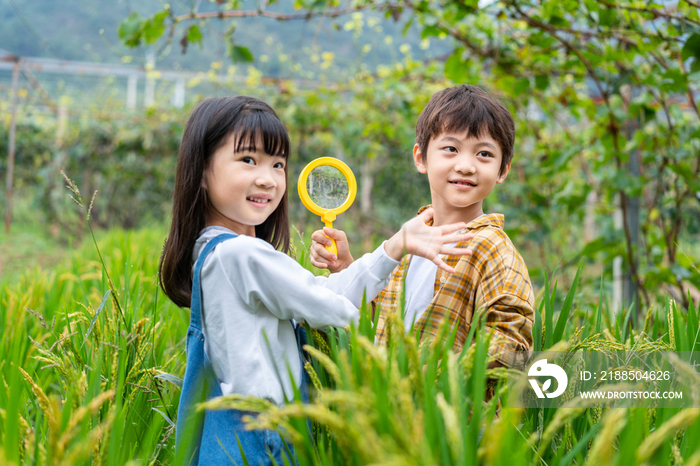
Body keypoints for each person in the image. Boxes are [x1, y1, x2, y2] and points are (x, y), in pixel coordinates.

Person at [158, 96, 474, 465]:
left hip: (228, 438)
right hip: (262, 441)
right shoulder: (241, 255)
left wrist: (385, 253)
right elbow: (333, 310)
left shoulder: (209, 251)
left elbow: (320, 296)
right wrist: (398, 252)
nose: (267, 178)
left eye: (278, 164)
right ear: (201, 169)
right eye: (248, 160)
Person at [310, 85, 535, 372]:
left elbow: (511, 349)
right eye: (451, 149)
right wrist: (344, 267)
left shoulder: (492, 249)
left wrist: (430, 377)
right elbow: (380, 326)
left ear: (503, 169)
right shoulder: (409, 240)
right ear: (421, 158)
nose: (466, 166)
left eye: (484, 154)